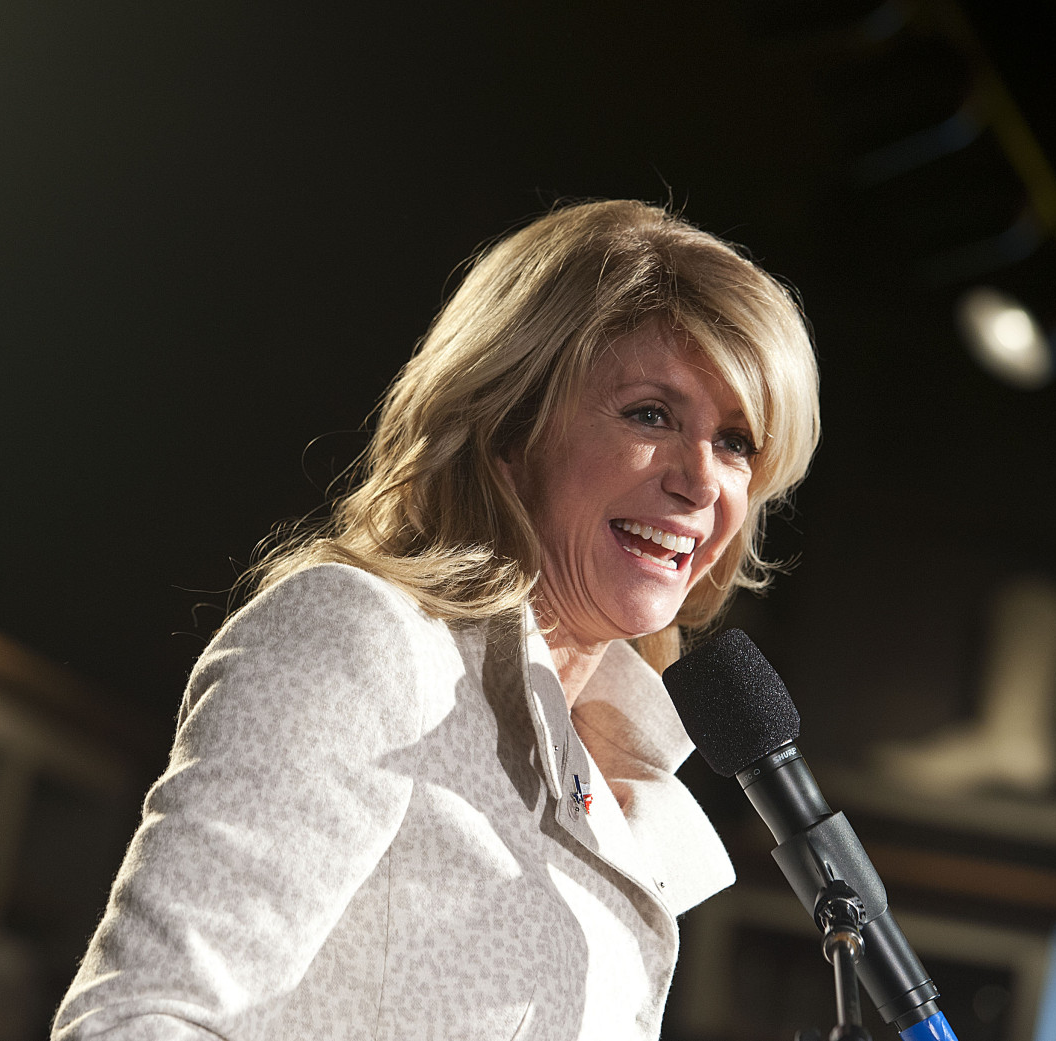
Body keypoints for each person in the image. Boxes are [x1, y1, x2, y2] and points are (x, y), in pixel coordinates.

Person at [54, 200, 821, 1040]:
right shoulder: (365, 639)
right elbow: (136, 1019)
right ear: (510, 426)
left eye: (737, 441)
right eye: (651, 414)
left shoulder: (613, 763)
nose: (701, 482)